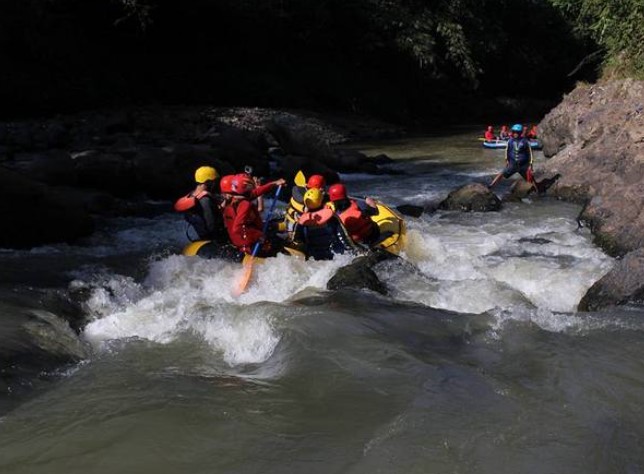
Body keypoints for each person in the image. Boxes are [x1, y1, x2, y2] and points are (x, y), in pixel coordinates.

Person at [223, 173, 287, 257]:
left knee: (272, 228)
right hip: (250, 245)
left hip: (241, 241)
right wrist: (258, 235)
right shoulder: (245, 204)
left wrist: (274, 183)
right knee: (278, 243)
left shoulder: (232, 199)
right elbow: (237, 228)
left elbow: (256, 193)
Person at [293, 188, 355, 260]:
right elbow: (343, 235)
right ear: (321, 200)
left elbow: (297, 240)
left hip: (314, 256)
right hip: (334, 255)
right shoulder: (331, 217)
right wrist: (352, 250)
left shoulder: (302, 221)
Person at [174, 166, 228, 243]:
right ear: (208, 182)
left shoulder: (193, 194)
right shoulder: (205, 200)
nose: (215, 184)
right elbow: (211, 226)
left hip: (203, 235)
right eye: (214, 181)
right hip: (213, 237)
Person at [489, 123, 537, 190]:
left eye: (517, 132)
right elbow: (507, 151)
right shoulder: (510, 141)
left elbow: (530, 153)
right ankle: (492, 185)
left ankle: (538, 190)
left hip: (523, 165)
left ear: (520, 133)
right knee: (502, 173)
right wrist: (507, 160)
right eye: (514, 132)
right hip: (513, 164)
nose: (515, 134)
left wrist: (530, 165)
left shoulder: (525, 141)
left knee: (531, 178)